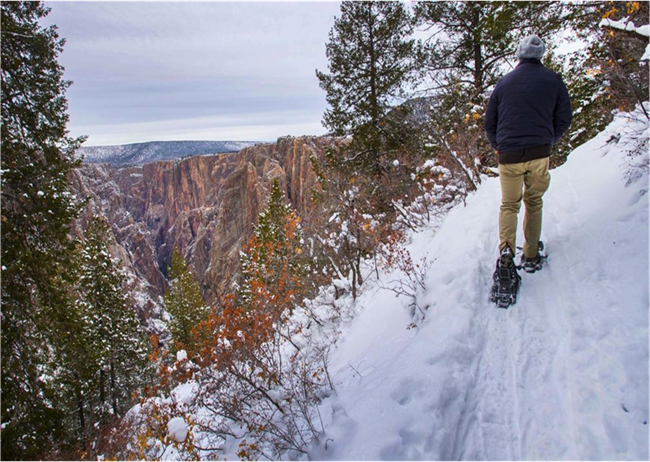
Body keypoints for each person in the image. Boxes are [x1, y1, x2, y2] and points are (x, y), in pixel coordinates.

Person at [484, 34, 572, 273]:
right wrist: (549, 138)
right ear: (540, 55)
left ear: (519, 54)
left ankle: (506, 252)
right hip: (539, 153)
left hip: (509, 155)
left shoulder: (504, 83)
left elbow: (489, 122)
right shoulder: (553, 81)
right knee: (533, 202)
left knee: (509, 205)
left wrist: (498, 144)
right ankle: (531, 254)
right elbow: (565, 117)